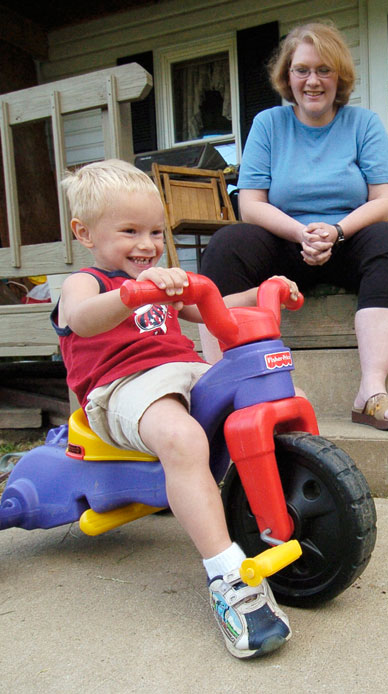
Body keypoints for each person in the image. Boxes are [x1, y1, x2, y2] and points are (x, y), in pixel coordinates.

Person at [52, 159, 297, 659]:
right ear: (85, 233)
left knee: (251, 391)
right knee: (184, 439)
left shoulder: (160, 279)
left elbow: (212, 302)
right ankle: (228, 576)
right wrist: (129, 293)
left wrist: (265, 288)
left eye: (156, 231)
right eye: (129, 231)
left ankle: (265, 509)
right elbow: (79, 318)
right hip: (121, 387)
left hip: (181, 372)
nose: (147, 244)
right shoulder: (88, 282)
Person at [199, 20, 388, 431]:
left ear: (340, 76)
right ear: (287, 77)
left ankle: (371, 391)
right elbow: (250, 204)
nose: (312, 81)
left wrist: (335, 231)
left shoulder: (363, 123)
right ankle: (222, 386)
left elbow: (384, 201)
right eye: (302, 70)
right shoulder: (269, 124)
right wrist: (301, 232)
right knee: (228, 243)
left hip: (347, 240)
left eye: (324, 70)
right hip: (285, 245)